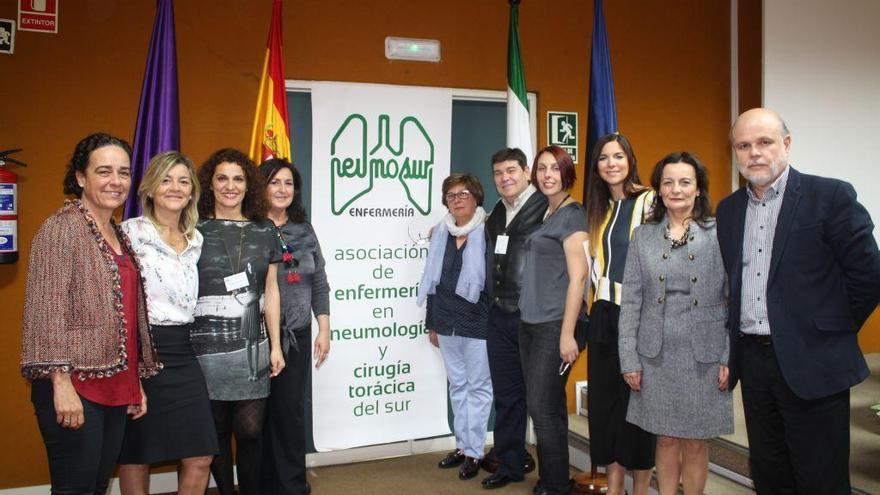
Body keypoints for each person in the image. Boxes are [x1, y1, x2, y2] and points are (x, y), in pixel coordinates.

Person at [716, 108, 880, 495]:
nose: (754, 152)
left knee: (820, 480)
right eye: (744, 145)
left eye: (764, 142)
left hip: (814, 361)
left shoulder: (830, 196)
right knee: (771, 476)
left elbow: (868, 275)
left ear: (786, 145)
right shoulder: (729, 210)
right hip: (754, 363)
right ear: (735, 153)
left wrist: (830, 329)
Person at [20, 132, 159, 494]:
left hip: (115, 385)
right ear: (81, 177)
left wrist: (134, 382)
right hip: (74, 386)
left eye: (124, 172)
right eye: (104, 171)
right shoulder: (61, 229)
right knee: (75, 489)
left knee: (97, 486)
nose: (116, 181)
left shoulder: (116, 232)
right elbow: (45, 311)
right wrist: (61, 383)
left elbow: (126, 312)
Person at [618, 152, 732, 495]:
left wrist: (728, 355)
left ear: (698, 189)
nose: (676, 189)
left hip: (705, 353)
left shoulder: (719, 233)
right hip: (656, 354)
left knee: (695, 441)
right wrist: (630, 358)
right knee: (665, 438)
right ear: (659, 190)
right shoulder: (643, 237)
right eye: (668, 182)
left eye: (685, 182)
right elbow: (632, 301)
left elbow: (733, 299)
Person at [117, 151, 218, 495]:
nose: (175, 187)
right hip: (141, 350)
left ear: (192, 192)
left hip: (183, 351)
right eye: (166, 179)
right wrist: (130, 364)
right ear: (149, 188)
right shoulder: (129, 234)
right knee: (136, 453)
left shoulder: (196, 240)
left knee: (201, 454)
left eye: (183, 181)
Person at [193, 148, 285, 495]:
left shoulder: (266, 231)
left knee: (250, 431)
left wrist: (276, 345)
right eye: (222, 178)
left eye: (238, 178)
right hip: (204, 348)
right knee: (213, 432)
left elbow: (271, 292)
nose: (230, 186)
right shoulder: (192, 229)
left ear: (249, 186)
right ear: (210, 184)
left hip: (253, 345)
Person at [583, 133, 656, 495]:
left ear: (630, 160)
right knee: (606, 404)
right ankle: (614, 485)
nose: (611, 163)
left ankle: (640, 487)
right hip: (603, 313)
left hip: (639, 314)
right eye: (603, 158)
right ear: (595, 167)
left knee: (637, 404)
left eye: (618, 156)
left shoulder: (650, 201)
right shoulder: (597, 209)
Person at [518, 146, 589, 495]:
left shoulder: (572, 215)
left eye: (555, 169)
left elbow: (579, 278)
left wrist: (567, 335)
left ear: (567, 173)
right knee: (550, 406)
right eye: (541, 168)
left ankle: (557, 486)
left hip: (556, 324)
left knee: (541, 408)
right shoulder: (547, 213)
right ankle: (553, 478)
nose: (547, 175)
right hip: (530, 322)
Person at [259, 158, 331, 495]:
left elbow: (319, 282)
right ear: (261, 187)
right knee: (255, 420)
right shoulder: (250, 228)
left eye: (288, 183)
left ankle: (291, 487)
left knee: (290, 415)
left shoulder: (304, 230)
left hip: (297, 338)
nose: (282, 189)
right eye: (275, 182)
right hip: (255, 340)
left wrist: (324, 329)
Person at [418, 173, 492, 481]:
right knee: (458, 386)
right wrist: (432, 323)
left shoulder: (489, 231)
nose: (457, 199)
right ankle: (463, 446)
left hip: (479, 324)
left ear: (476, 196)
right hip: (446, 322)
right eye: (451, 195)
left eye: (463, 193)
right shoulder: (441, 235)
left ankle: (476, 451)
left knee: (478, 388)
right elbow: (434, 283)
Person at [481, 148, 545, 489]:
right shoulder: (495, 213)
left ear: (526, 171)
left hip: (533, 318)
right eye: (498, 172)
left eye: (511, 170)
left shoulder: (547, 208)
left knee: (542, 401)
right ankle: (509, 464)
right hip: (499, 317)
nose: (504, 178)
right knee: (506, 396)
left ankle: (551, 475)